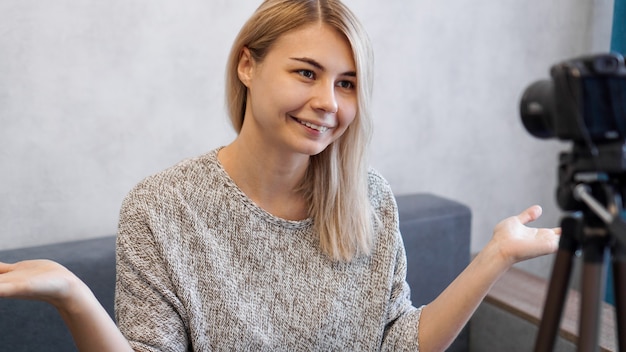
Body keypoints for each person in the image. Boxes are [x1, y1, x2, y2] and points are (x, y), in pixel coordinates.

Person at [0, 0, 561, 351]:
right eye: (306, 73)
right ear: (248, 65)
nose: (327, 102)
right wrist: (73, 295)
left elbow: (399, 342)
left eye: (346, 83)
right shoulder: (161, 209)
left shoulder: (368, 198)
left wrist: (496, 257)